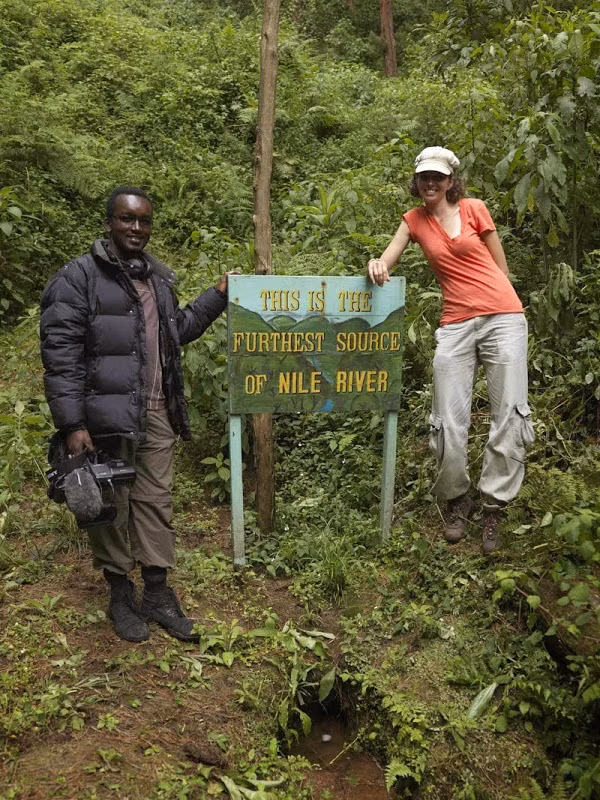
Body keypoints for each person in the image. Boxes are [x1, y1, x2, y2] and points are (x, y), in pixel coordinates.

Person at [41, 186, 233, 641]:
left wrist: (218, 294)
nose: (136, 228)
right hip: (104, 416)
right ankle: (120, 592)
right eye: (127, 219)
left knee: (155, 500)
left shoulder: (156, 279)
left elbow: (177, 331)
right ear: (108, 222)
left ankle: (158, 593)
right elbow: (61, 355)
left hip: (157, 413)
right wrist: (72, 424)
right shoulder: (78, 279)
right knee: (107, 504)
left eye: (144, 221)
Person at [367, 147, 534, 554]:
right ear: (417, 180)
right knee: (446, 420)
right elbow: (388, 257)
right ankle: (459, 499)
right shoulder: (414, 221)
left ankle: (494, 504)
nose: (430, 183)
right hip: (455, 324)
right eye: (424, 176)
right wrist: (377, 264)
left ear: (450, 181)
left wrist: (502, 307)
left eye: (438, 177)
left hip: (502, 317)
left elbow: (502, 269)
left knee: (509, 414)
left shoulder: (475, 209)